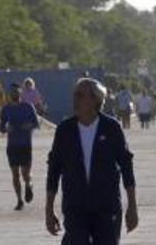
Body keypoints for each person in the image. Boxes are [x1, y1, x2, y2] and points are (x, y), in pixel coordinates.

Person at [45, 77, 139, 244]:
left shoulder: (111, 128)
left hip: (106, 207)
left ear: (96, 99)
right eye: (75, 94)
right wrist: (49, 209)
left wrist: (132, 206)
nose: (75, 98)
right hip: (75, 207)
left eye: (80, 95)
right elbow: (54, 170)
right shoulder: (65, 131)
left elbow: (126, 166)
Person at [0, 84, 41, 210]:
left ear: (20, 94)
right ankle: (19, 200)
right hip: (12, 145)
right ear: (9, 95)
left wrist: (28, 126)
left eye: (16, 92)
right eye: (12, 93)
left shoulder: (28, 107)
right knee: (15, 174)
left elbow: (37, 123)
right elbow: (1, 128)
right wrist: (7, 128)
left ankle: (29, 185)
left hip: (25, 144)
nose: (14, 95)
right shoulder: (6, 109)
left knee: (25, 174)